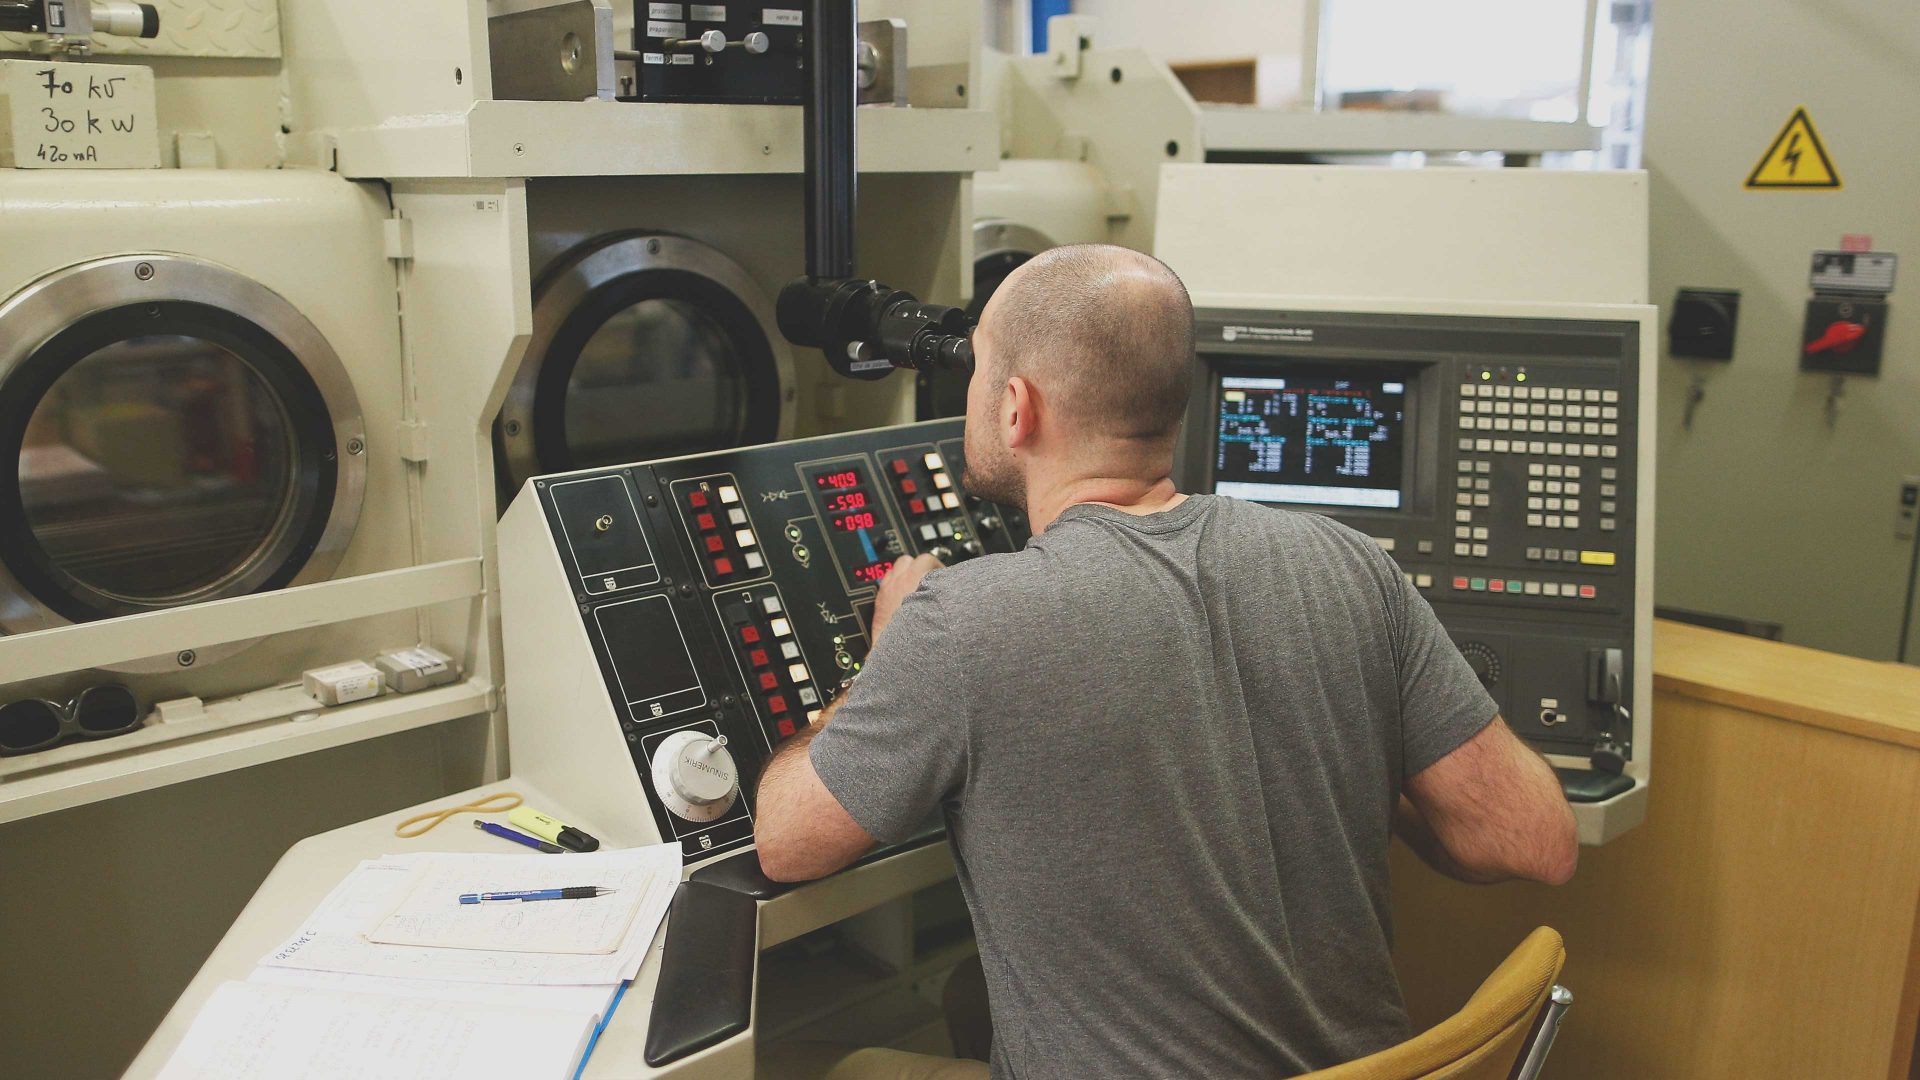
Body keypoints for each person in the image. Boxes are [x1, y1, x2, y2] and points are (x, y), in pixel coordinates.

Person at [753, 244, 1578, 1079]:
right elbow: (1529, 839)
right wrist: (1351, 755)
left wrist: (882, 664)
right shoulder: (1348, 562)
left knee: (817, 1061)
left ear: (1015, 408)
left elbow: (786, 843)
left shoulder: (961, 624)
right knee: (973, 995)